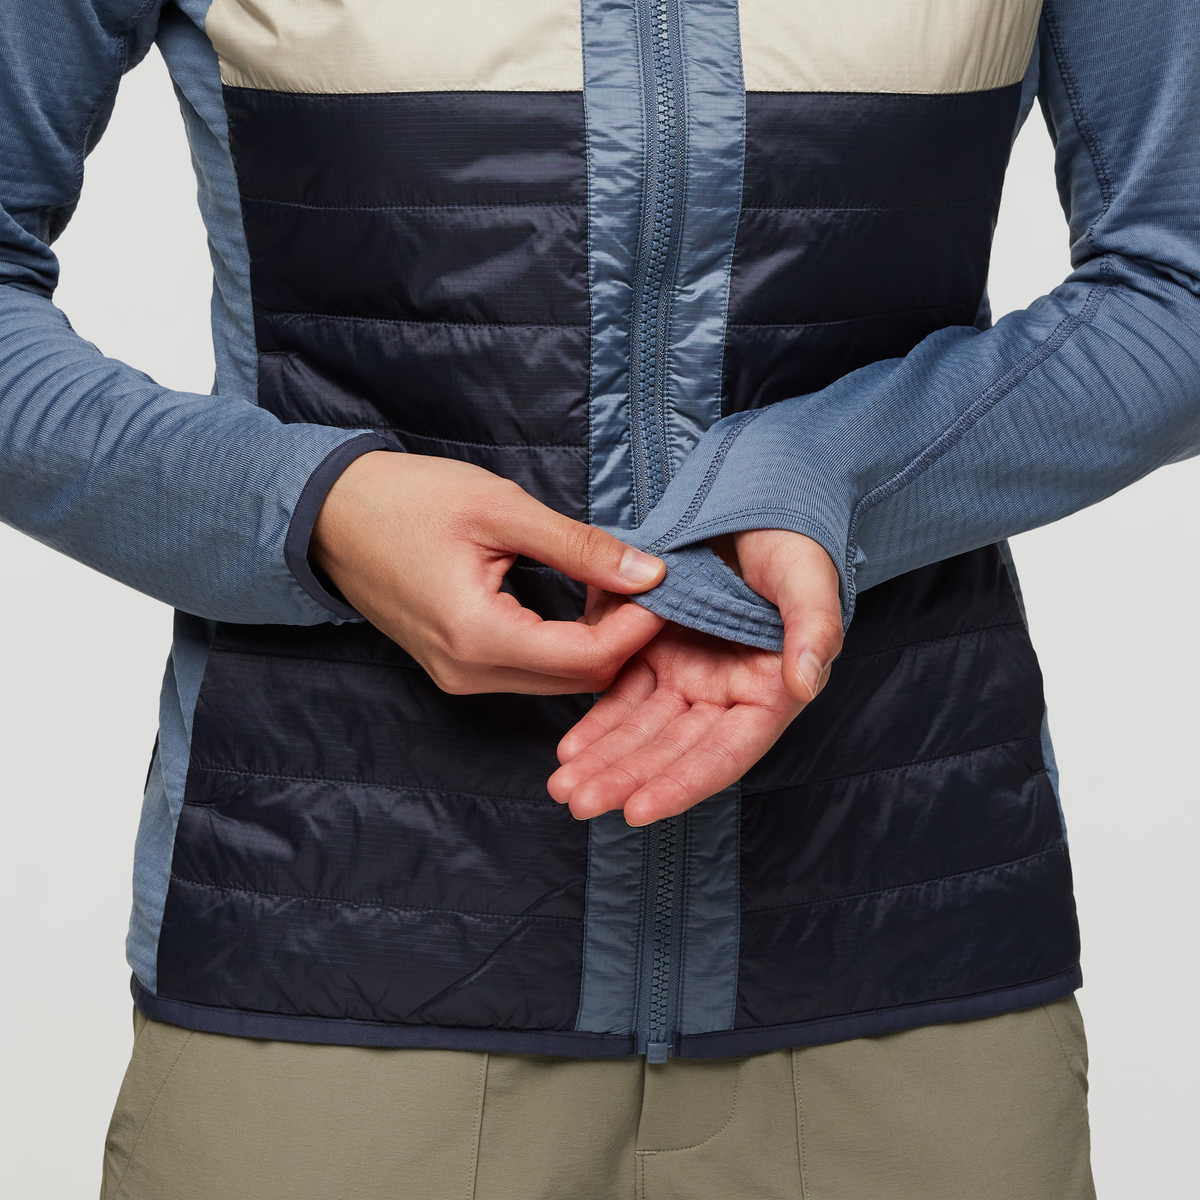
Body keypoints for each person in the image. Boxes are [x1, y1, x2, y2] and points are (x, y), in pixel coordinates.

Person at [2, 1, 1197, 1197]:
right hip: (330, 975)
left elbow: (1177, 283)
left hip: (911, 974)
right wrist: (318, 510)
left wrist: (833, 478)